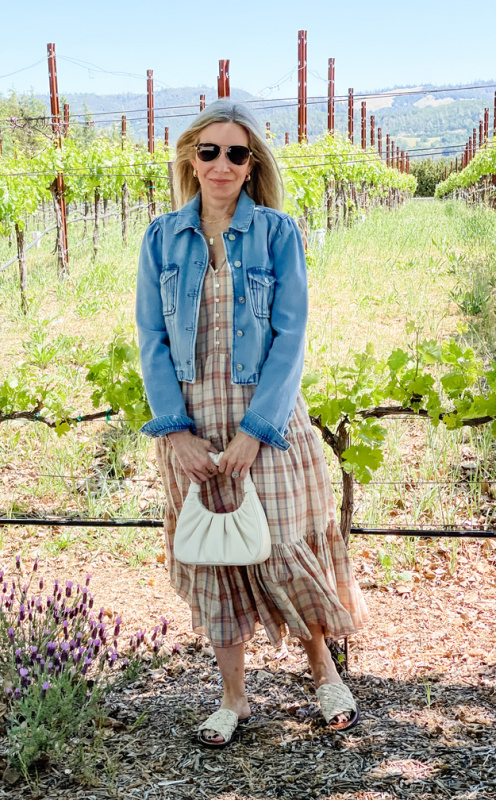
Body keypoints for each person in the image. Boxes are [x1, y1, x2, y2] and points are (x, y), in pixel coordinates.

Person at [136, 100, 368, 748]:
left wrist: (253, 430)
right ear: (191, 158)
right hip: (192, 422)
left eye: (236, 153)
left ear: (251, 164)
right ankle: (233, 699)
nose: (220, 164)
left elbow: (291, 338)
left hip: (265, 421)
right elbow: (151, 340)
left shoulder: (278, 233)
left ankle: (324, 674)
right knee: (215, 556)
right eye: (208, 151)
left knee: (286, 546)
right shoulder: (160, 238)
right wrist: (174, 431)